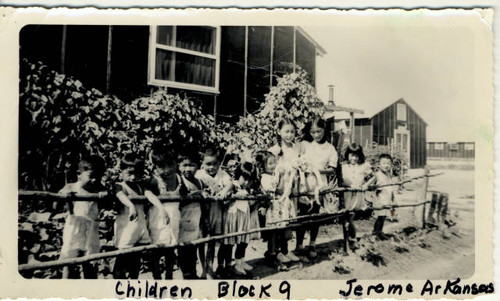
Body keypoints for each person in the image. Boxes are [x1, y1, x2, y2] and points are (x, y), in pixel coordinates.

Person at [58, 155, 107, 279]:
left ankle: (90, 288)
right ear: (79, 174)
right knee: (68, 258)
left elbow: (106, 200)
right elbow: (57, 202)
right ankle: (64, 286)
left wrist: (104, 194)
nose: (95, 180)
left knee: (90, 260)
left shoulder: (98, 188)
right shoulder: (72, 187)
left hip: (91, 228)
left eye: (99, 177)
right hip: (75, 226)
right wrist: (65, 195)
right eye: (91, 176)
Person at [296, 117, 339, 259]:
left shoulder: (330, 148)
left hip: (319, 185)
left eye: (319, 131)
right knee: (302, 215)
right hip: (305, 184)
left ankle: (312, 244)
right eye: (313, 132)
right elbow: (298, 160)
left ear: (324, 130)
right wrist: (304, 167)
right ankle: (299, 245)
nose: (316, 135)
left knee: (314, 216)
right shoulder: (306, 145)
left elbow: (332, 169)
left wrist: (317, 170)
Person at [145, 147, 186, 279]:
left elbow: (185, 194)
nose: (167, 170)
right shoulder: (155, 181)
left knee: (170, 250)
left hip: (174, 220)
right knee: (157, 251)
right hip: (158, 220)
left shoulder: (179, 179)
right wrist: (161, 208)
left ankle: (169, 276)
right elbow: (147, 193)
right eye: (162, 167)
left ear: (175, 163)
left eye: (170, 165)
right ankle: (157, 278)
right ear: (155, 168)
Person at [195, 147, 233, 278]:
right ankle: (202, 268)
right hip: (201, 211)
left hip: (215, 210)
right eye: (208, 164)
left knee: (212, 240)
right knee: (202, 239)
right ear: (202, 163)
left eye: (214, 164)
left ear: (219, 163)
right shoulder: (199, 174)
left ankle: (209, 266)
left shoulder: (222, 174)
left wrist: (224, 191)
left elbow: (229, 184)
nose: (211, 167)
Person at [267, 118, 301, 263]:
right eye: (286, 131)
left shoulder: (297, 148)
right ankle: (273, 253)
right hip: (278, 189)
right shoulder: (274, 150)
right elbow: (270, 170)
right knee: (276, 222)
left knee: (287, 221)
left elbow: (298, 168)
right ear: (279, 132)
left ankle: (285, 250)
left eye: (292, 131)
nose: (289, 134)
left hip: (292, 187)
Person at [113, 153, 151, 279]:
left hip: (139, 226)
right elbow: (120, 196)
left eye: (137, 173)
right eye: (129, 173)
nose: (133, 177)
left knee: (136, 257)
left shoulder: (140, 187)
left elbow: (150, 196)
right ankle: (119, 284)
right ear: (121, 171)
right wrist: (131, 206)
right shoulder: (120, 186)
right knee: (122, 256)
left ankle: (133, 284)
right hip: (126, 225)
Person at [220, 162, 258, 276]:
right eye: (245, 178)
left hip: (243, 218)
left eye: (250, 180)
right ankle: (225, 265)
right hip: (232, 217)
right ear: (238, 175)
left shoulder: (249, 189)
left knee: (243, 242)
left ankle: (240, 262)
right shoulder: (233, 185)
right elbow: (223, 197)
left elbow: (251, 203)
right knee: (229, 243)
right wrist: (230, 194)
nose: (247, 182)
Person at [177, 150, 205, 279]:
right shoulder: (179, 181)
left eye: (191, 165)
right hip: (183, 219)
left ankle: (193, 272)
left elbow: (206, 195)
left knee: (193, 248)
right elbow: (179, 199)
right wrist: (193, 196)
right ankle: (186, 274)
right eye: (184, 165)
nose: (188, 169)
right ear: (179, 166)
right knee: (183, 248)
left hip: (195, 219)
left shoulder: (199, 182)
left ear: (198, 166)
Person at [340, 143, 372, 251]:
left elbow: (374, 176)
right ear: (347, 155)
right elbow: (340, 181)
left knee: (349, 218)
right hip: (346, 195)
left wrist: (366, 185)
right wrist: (348, 185)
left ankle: (352, 239)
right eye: (351, 155)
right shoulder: (343, 166)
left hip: (356, 196)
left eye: (356, 156)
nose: (354, 158)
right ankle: (349, 240)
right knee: (345, 219)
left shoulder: (364, 166)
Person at [371, 153, 396, 240]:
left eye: (388, 163)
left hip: (387, 198)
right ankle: (375, 232)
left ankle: (380, 231)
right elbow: (371, 185)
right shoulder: (377, 175)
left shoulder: (388, 174)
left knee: (384, 216)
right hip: (380, 199)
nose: (386, 165)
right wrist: (376, 188)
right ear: (379, 164)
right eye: (384, 163)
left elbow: (391, 187)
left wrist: (393, 199)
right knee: (380, 216)